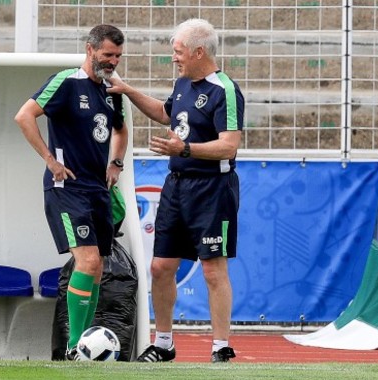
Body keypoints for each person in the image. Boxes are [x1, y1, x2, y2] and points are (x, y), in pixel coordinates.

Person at [107, 18, 244, 363]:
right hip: (176, 187)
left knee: (214, 269)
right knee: (160, 266)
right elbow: (166, 114)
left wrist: (184, 150)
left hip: (212, 189)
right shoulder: (184, 83)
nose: (174, 58)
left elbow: (229, 146)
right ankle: (164, 343)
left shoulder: (224, 90)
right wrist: (128, 91)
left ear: (199, 52)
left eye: (178, 52)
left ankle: (220, 347)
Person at [14, 24, 128, 361]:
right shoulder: (65, 81)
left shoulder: (112, 90)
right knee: (88, 260)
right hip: (67, 188)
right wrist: (50, 161)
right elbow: (24, 116)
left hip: (97, 189)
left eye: (118, 56)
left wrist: (116, 163)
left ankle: (82, 344)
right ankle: (76, 347)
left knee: (96, 267)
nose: (113, 61)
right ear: (90, 50)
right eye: (108, 55)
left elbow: (120, 131)